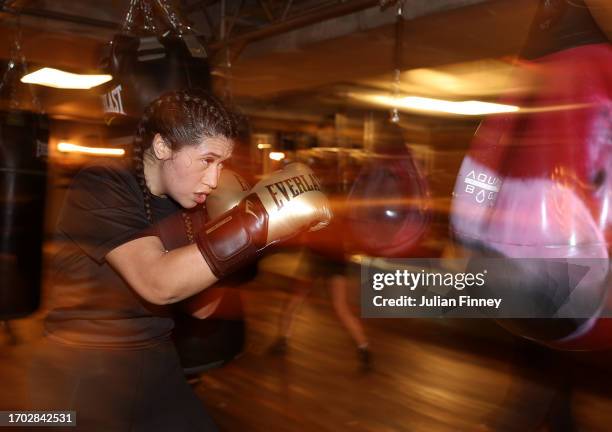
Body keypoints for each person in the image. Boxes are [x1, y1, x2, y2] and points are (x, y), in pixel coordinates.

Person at [27, 89, 332, 431]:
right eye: (207, 160)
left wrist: (259, 241)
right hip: (83, 371)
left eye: (222, 164)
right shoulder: (103, 183)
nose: (215, 179)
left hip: (156, 361)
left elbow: (201, 308)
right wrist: (255, 223)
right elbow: (158, 284)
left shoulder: (189, 204)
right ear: (162, 147)